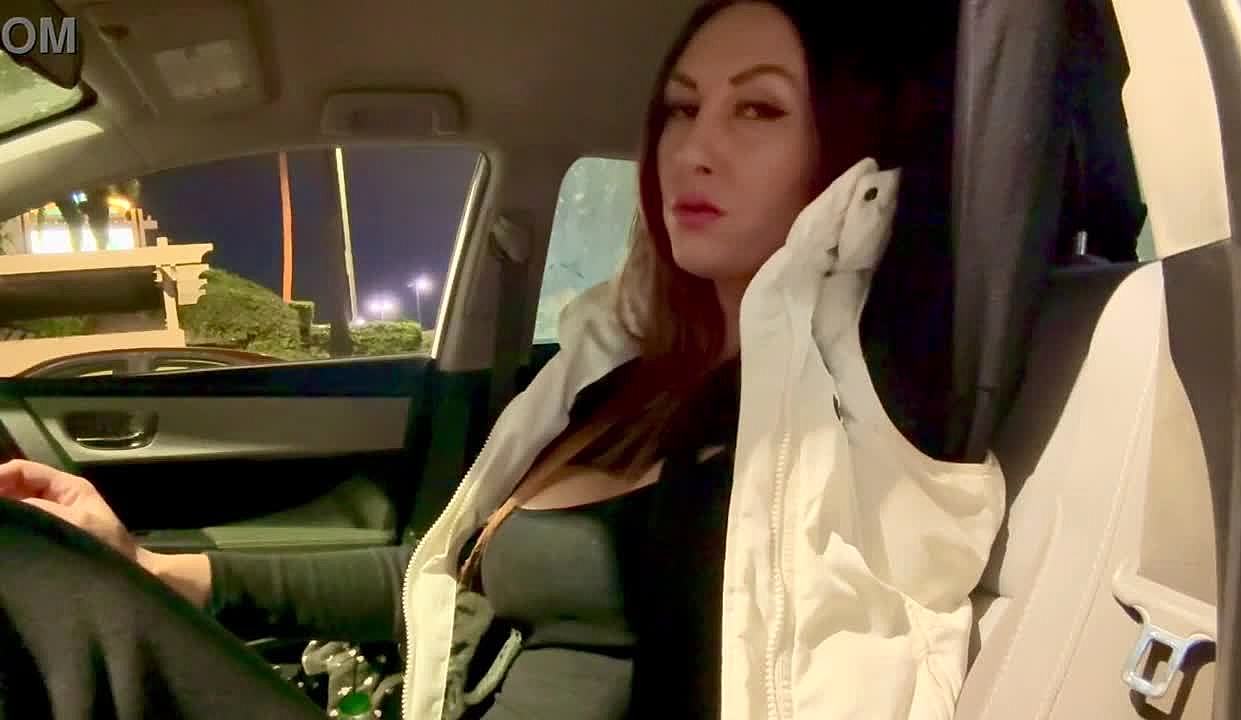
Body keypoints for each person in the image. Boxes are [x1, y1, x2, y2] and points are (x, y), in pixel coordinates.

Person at [0, 2, 1005, 719]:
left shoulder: (850, 412)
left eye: (758, 110)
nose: (693, 149)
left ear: (846, 155)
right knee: (51, 570)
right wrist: (152, 567)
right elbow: (435, 579)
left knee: (33, 590)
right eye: (679, 108)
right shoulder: (624, 384)